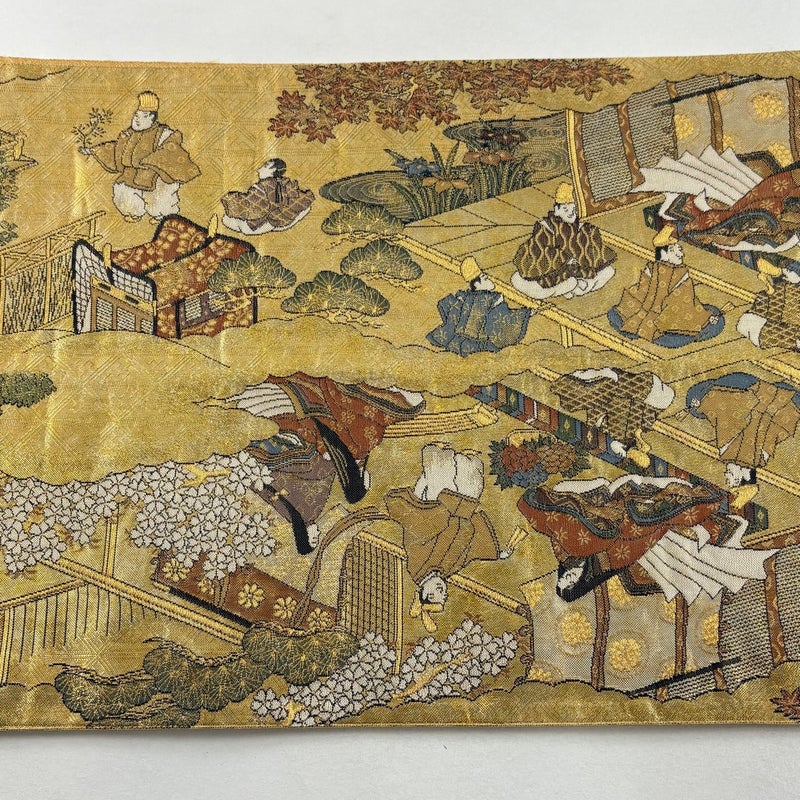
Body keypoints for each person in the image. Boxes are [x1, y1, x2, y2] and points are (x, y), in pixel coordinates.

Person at [384, 442, 510, 632]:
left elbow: (416, 530)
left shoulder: (416, 566)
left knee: (442, 475)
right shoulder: (447, 571)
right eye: (443, 595)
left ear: (424, 592)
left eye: (434, 594)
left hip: (435, 507)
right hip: (461, 512)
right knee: (473, 482)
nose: (441, 591)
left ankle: (438, 450)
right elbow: (468, 554)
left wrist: (439, 514)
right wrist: (497, 553)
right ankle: (464, 457)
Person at [80, 91, 200, 222]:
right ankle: (133, 213)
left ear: (151, 118)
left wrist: (151, 161)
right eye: (136, 115)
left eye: (143, 116)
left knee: (159, 193)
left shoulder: (163, 134)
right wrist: (93, 150)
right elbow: (115, 148)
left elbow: (170, 149)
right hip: (133, 173)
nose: (137, 119)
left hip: (156, 173)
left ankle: (163, 216)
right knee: (123, 188)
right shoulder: (129, 135)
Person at [686, 372, 800, 499]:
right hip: (780, 400)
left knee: (696, 403)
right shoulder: (745, 454)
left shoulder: (733, 451)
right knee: (698, 401)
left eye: (728, 475)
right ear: (741, 475)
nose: (726, 473)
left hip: (770, 399)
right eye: (732, 476)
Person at [610, 225, 720, 344]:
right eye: (676, 250)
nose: (682, 255)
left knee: (625, 310)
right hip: (668, 318)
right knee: (706, 318)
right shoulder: (681, 273)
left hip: (646, 312)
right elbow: (686, 300)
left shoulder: (651, 268)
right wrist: (705, 318)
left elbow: (640, 292)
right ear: (667, 252)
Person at [510, 182, 617, 300]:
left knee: (609, 271)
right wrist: (564, 260)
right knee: (517, 279)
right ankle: (568, 287)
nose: (571, 213)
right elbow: (537, 255)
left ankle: (577, 287)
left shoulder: (584, 228)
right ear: (557, 210)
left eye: (574, 209)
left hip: (580, 272)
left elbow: (594, 254)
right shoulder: (546, 228)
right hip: (554, 276)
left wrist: (582, 261)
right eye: (566, 209)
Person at [550, 367, 674, 467]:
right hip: (642, 394)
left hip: (636, 395)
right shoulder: (632, 428)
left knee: (613, 420)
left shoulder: (621, 431)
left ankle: (583, 390)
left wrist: (592, 424)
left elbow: (599, 412)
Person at [426, 257, 531, 356]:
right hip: (481, 346)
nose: (489, 279)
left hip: (458, 344)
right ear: (477, 284)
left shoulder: (464, 297)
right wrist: (525, 313)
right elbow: (501, 319)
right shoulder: (492, 299)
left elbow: (453, 315)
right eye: (485, 278)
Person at [221, 158, 314, 234]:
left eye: (265, 166)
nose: (259, 169)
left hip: (260, 225)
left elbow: (250, 208)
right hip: (278, 222)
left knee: (226, 219)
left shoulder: (262, 187)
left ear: (273, 170)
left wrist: (230, 198)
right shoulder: (285, 183)